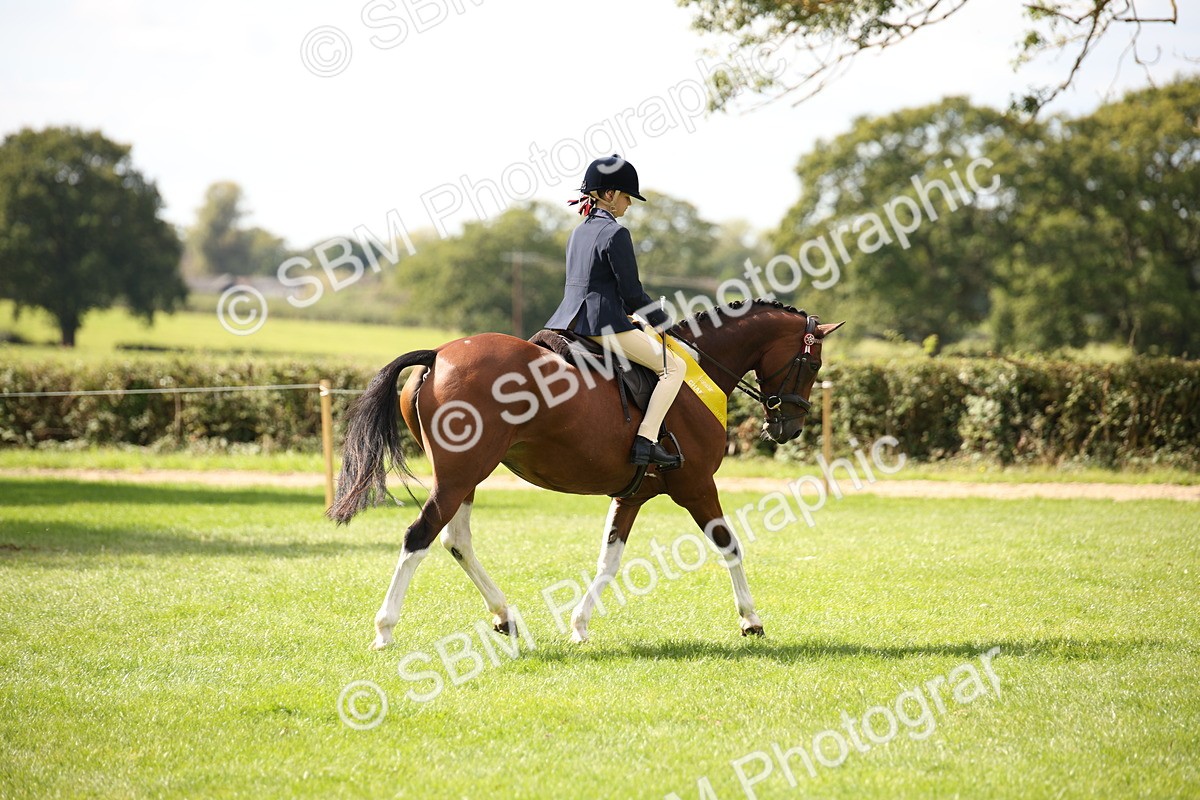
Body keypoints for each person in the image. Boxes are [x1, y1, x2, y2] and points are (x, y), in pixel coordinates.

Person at [545, 154, 686, 467]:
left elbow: (596, 283)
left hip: (569, 320)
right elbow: (631, 291)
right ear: (608, 195)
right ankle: (646, 440)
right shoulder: (616, 233)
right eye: (626, 196)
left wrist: (629, 315)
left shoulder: (578, 231)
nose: (629, 204)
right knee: (674, 368)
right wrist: (660, 320)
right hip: (602, 325)